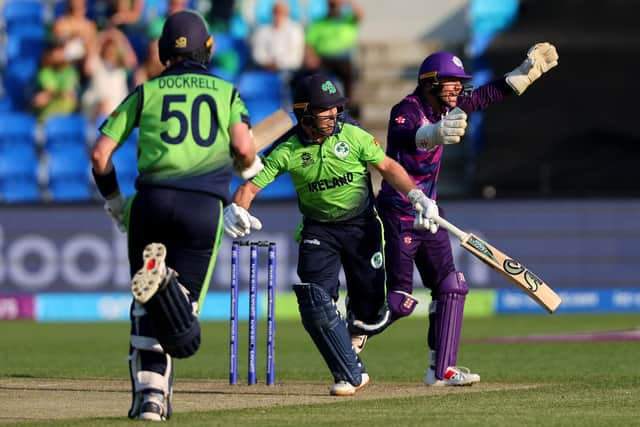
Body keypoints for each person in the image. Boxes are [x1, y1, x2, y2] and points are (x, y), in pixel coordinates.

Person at [90, 10, 261, 420]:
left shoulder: (145, 92)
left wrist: (115, 203)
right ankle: (169, 289)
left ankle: (150, 398)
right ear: (208, 48)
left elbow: (100, 155)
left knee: (144, 308)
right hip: (202, 208)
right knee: (180, 316)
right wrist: (245, 168)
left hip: (150, 204)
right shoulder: (227, 93)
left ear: (165, 50)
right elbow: (244, 150)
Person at [224, 73, 439, 396]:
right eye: (325, 112)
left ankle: (356, 328)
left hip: (362, 227)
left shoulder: (353, 136)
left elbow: (389, 168)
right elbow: (250, 186)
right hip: (318, 230)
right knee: (315, 300)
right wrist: (237, 208)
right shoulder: (288, 150)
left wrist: (418, 196)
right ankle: (349, 372)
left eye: (336, 110)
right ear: (305, 115)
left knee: (369, 313)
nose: (333, 116)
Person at [375, 44, 559, 386]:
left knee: (452, 285)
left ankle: (441, 369)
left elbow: (486, 96)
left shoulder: (452, 104)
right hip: (398, 212)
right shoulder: (406, 109)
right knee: (399, 302)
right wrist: (431, 134)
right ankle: (352, 334)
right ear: (430, 82)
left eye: (461, 82)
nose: (459, 87)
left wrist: (522, 75)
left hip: (430, 214)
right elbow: (402, 137)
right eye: (451, 82)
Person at [302, 0, 363, 112]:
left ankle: (348, 105)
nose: (334, 7)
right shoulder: (320, 22)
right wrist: (311, 57)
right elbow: (309, 43)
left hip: (343, 58)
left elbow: (359, 15)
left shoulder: (347, 19)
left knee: (349, 75)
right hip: (324, 59)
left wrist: (348, 3)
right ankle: (322, 103)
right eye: (332, 5)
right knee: (319, 78)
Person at [250, 1, 304, 74]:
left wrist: (278, 64)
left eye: (281, 12)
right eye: (276, 11)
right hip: (264, 69)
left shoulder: (296, 30)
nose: (278, 14)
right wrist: (268, 63)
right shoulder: (263, 30)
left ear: (287, 13)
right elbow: (258, 53)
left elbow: (295, 58)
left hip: (288, 71)